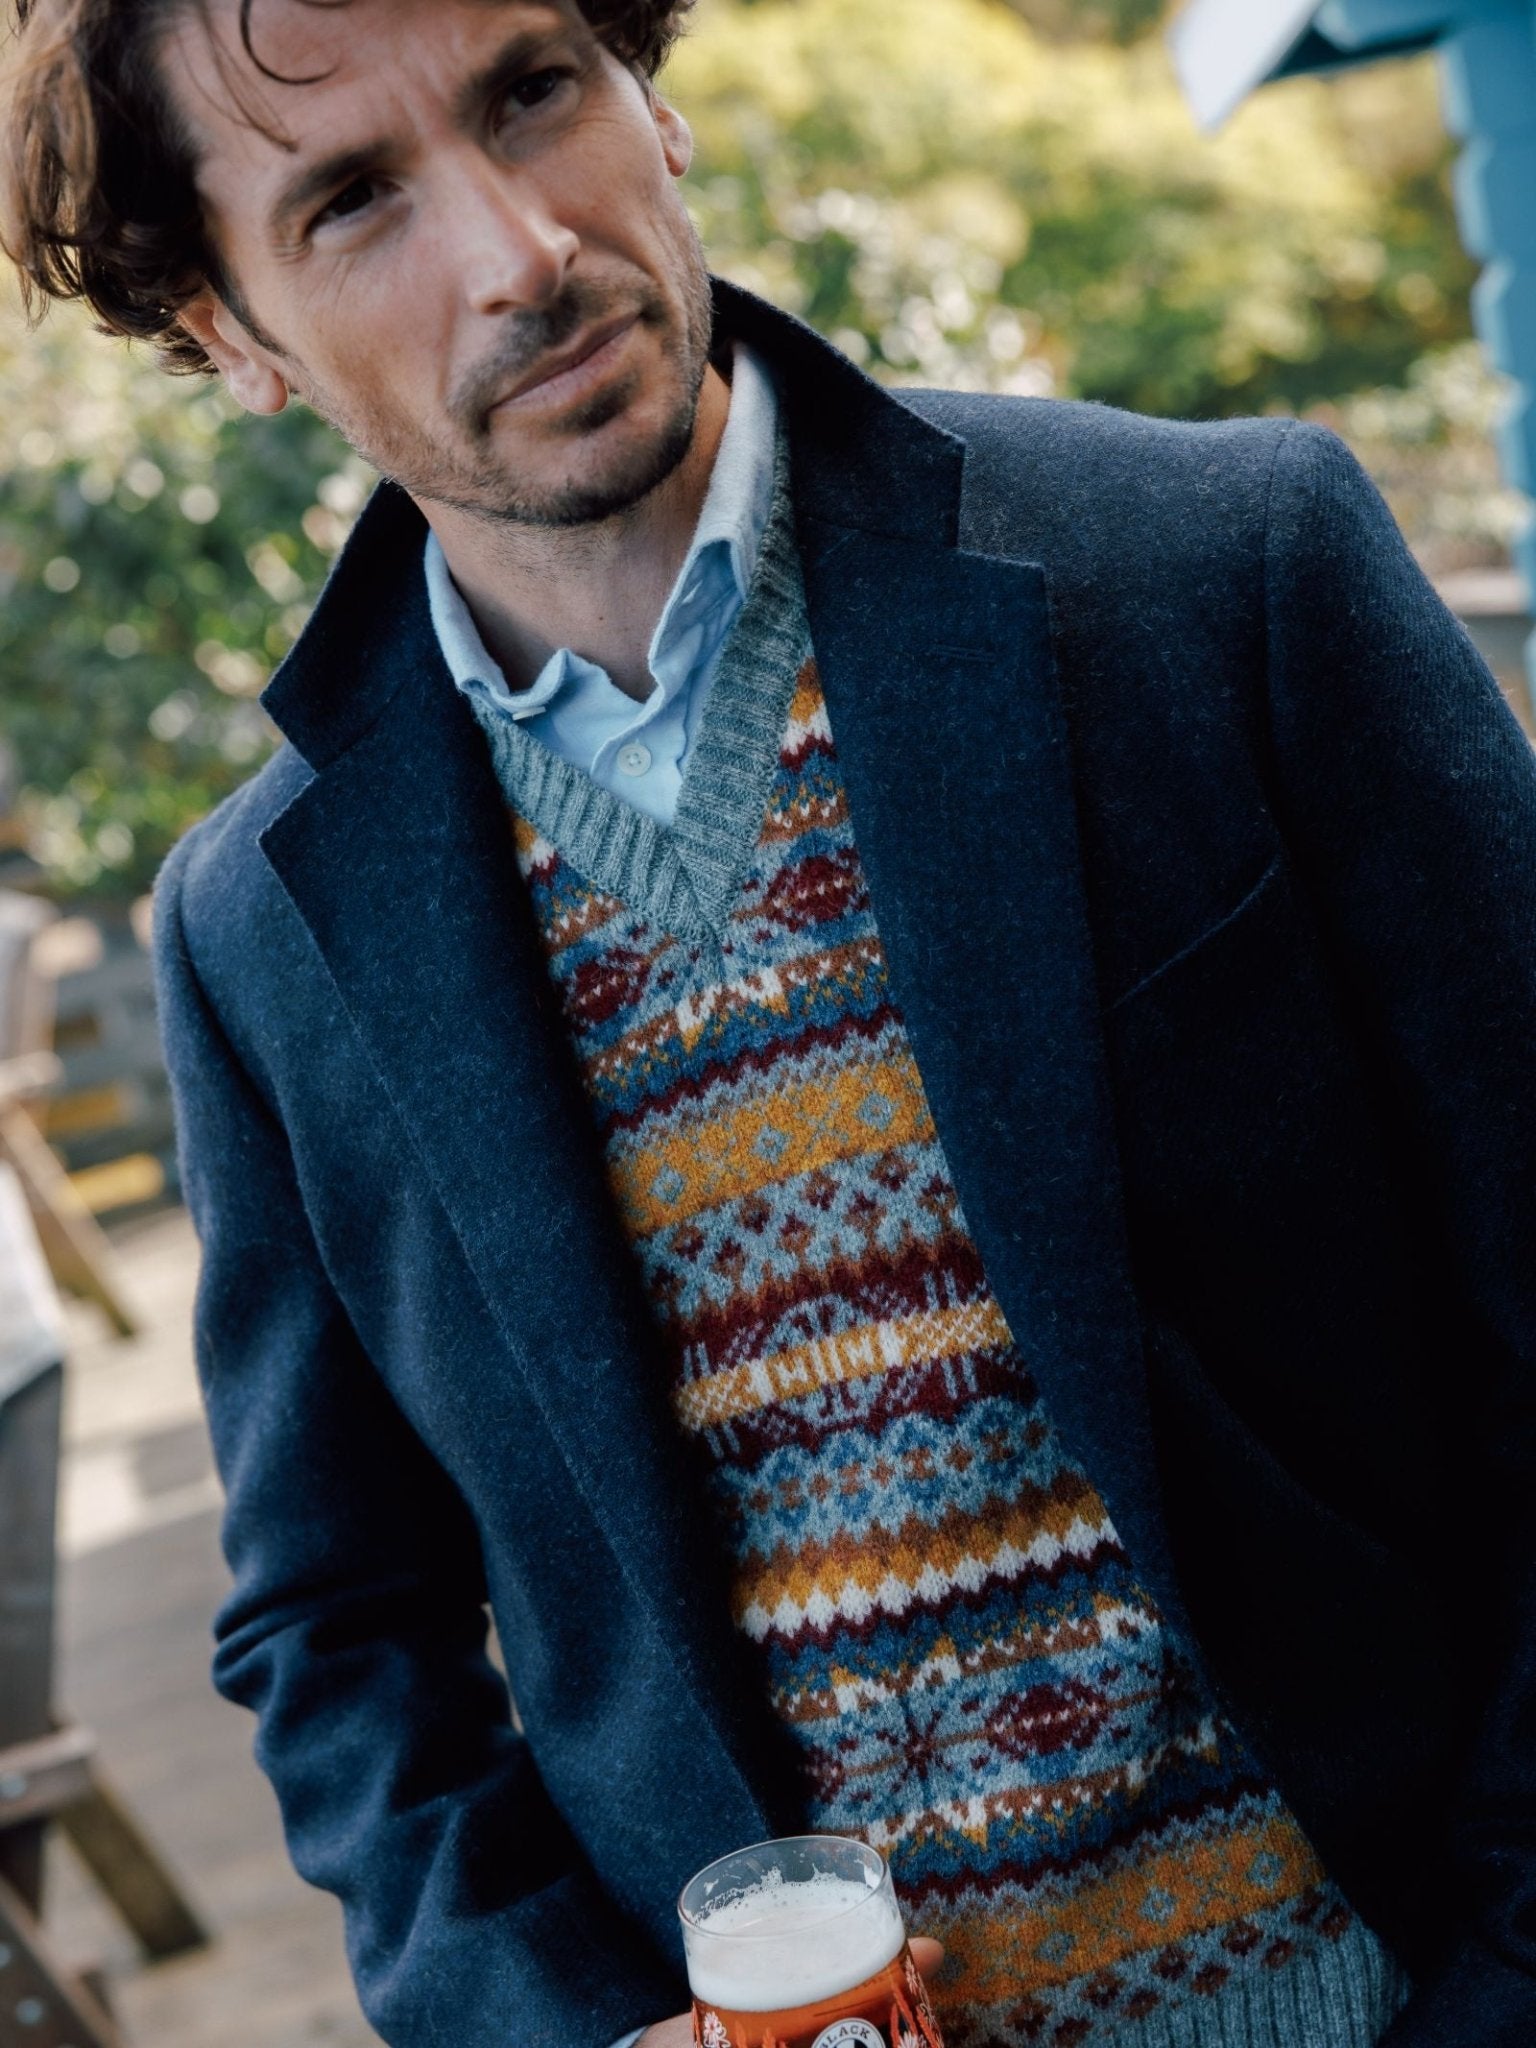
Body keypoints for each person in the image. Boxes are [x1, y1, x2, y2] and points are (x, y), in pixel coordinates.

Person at [4, 0, 1535, 2042]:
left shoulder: (1227, 575)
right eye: (354, 200)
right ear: (230, 334)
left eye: (531, 91)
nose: (515, 251)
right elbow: (338, 1635)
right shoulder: (257, 929)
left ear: (653, 94)